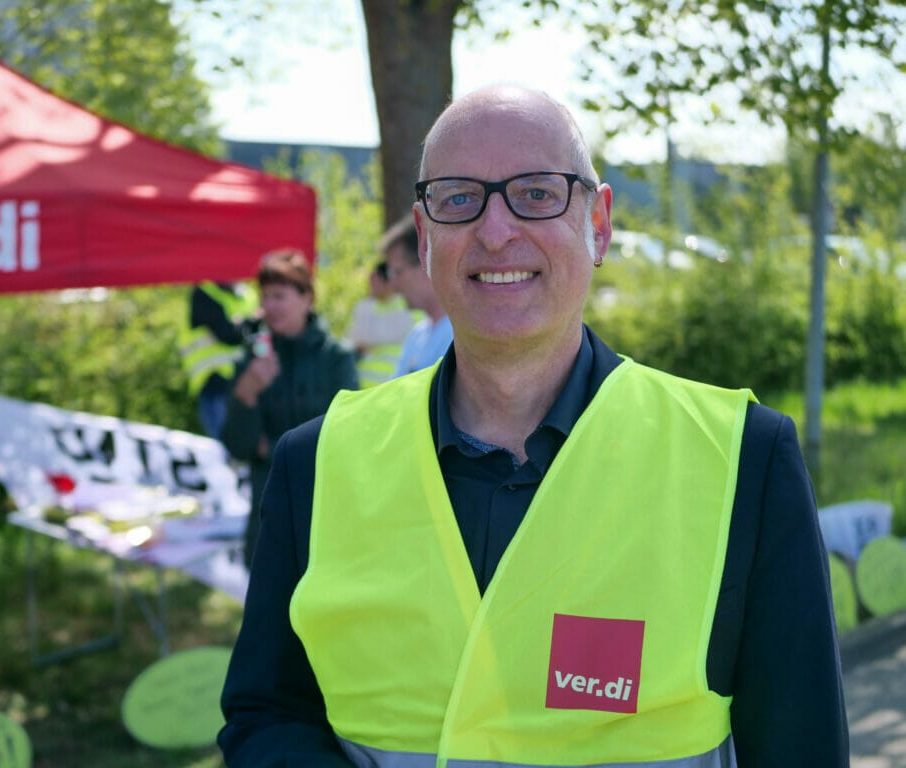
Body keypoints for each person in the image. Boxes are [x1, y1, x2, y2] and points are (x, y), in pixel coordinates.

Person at [218, 85, 849, 766]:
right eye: (459, 198)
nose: (496, 231)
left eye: (538, 193)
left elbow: (802, 749)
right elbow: (267, 714)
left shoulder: (742, 460)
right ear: (425, 237)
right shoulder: (316, 463)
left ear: (598, 223)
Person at [221, 249, 358, 568]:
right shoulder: (252, 360)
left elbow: (344, 439)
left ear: (307, 297)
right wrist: (246, 393)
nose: (269, 306)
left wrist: (270, 449)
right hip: (269, 518)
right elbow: (238, 446)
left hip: (325, 516)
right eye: (265, 297)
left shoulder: (336, 358)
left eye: (279, 296)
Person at [178, 280, 260, 439]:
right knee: (227, 444)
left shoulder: (249, 295)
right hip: (215, 385)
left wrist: (243, 324)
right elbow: (227, 334)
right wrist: (250, 323)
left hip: (249, 385)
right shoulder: (205, 292)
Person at [383, 212, 454, 376]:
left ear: (425, 261)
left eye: (397, 272)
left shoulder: (459, 337)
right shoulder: (417, 335)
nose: (393, 285)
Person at [346, 261, 416, 387]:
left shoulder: (405, 308)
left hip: (391, 384)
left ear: (388, 281)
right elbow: (353, 340)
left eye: (375, 279)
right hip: (364, 385)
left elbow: (362, 338)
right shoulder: (368, 305)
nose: (371, 285)